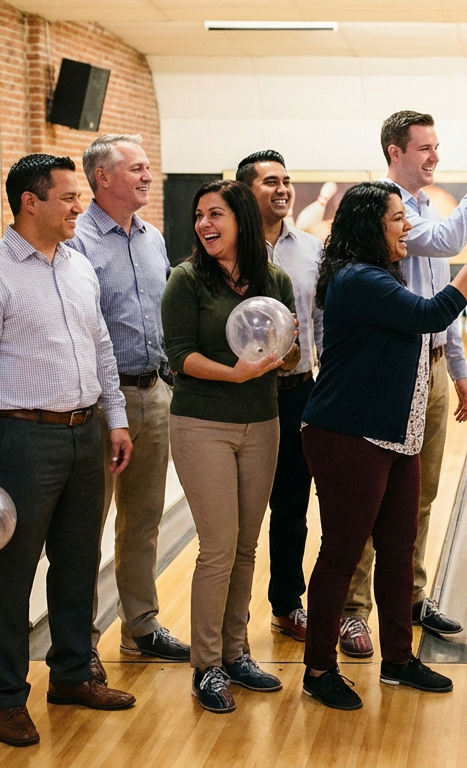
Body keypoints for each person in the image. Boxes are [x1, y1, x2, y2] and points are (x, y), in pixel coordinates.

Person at [0, 154, 137, 748]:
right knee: (14, 570)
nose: (79, 207)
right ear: (32, 202)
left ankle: (72, 674)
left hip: (86, 433)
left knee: (80, 562)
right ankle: (6, 697)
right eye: (69, 198)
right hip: (22, 438)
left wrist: (116, 418)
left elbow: (102, 347)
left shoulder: (78, 265)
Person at [300, 180, 467, 711]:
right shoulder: (359, 279)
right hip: (348, 435)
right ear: (369, 227)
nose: (406, 226)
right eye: (395, 219)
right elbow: (431, 316)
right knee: (341, 554)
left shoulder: (377, 274)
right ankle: (318, 670)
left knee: (399, 550)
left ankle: (399, 661)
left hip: (396, 434)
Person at [337, 111, 467, 657]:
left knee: (419, 497)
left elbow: (438, 305)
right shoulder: (386, 209)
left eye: (437, 147)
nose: (434, 157)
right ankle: (355, 612)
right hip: (390, 375)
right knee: (370, 502)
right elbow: (454, 242)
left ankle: (409, 597)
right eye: (424, 148)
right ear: (394, 151)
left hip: (428, 369)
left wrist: (456, 367)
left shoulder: (424, 205)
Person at [160, 179, 299, 714]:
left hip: (261, 423)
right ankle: (207, 665)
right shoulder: (187, 280)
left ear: (240, 217)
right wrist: (235, 375)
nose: (203, 225)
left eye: (214, 214)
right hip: (202, 423)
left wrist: (280, 357)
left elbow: (289, 346)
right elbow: (180, 355)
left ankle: (237, 653)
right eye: (198, 216)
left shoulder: (276, 281)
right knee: (218, 547)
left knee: (246, 547)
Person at [66, 134, 189, 674]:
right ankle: (82, 641)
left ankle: (140, 628)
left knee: (142, 522)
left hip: (153, 394)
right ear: (103, 178)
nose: (146, 176)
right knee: (85, 528)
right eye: (136, 168)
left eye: (148, 168)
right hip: (98, 405)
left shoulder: (152, 238)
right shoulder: (77, 242)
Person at [236, 149, 324, 644]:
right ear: (247, 191)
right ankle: (233, 618)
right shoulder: (226, 248)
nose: (284, 189)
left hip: (298, 392)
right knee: (240, 513)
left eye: (287, 181)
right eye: (271, 182)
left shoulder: (311, 250)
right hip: (243, 396)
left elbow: (324, 324)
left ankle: (287, 604)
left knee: (291, 509)